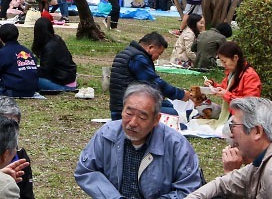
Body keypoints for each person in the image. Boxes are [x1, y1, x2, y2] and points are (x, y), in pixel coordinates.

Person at [75, 83, 203, 199]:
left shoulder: (176, 145)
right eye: (128, 113)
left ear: (156, 119)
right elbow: (86, 170)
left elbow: (190, 189)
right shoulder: (107, 134)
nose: (132, 123)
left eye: (142, 117)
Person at [186, 97, 272, 199]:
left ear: (257, 131)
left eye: (233, 126)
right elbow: (222, 184)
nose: (231, 135)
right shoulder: (263, 162)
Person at [109, 32, 190, 120]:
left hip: (124, 102)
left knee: (167, 104)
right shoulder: (138, 59)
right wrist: (180, 94)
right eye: (159, 54)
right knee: (172, 113)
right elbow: (154, 82)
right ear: (151, 48)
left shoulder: (130, 52)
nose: (158, 58)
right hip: (126, 109)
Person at [31, 17, 78, 92]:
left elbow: (45, 71)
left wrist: (30, 70)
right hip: (69, 79)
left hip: (63, 84)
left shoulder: (49, 48)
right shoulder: (57, 39)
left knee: (29, 79)